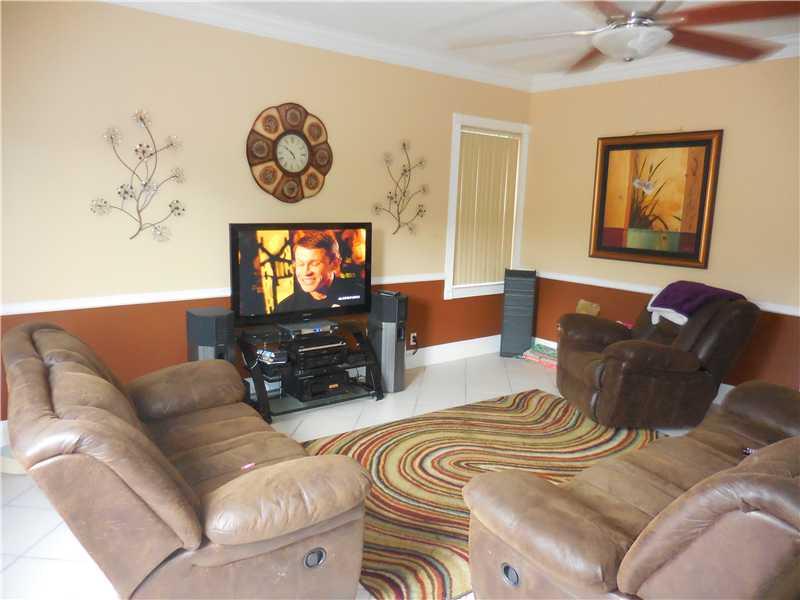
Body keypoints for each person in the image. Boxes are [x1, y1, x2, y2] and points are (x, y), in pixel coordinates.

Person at [275, 230, 364, 313]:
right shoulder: (285, 308)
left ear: (335, 264)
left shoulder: (360, 295)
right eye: (300, 264)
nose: (306, 272)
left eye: (314, 264)